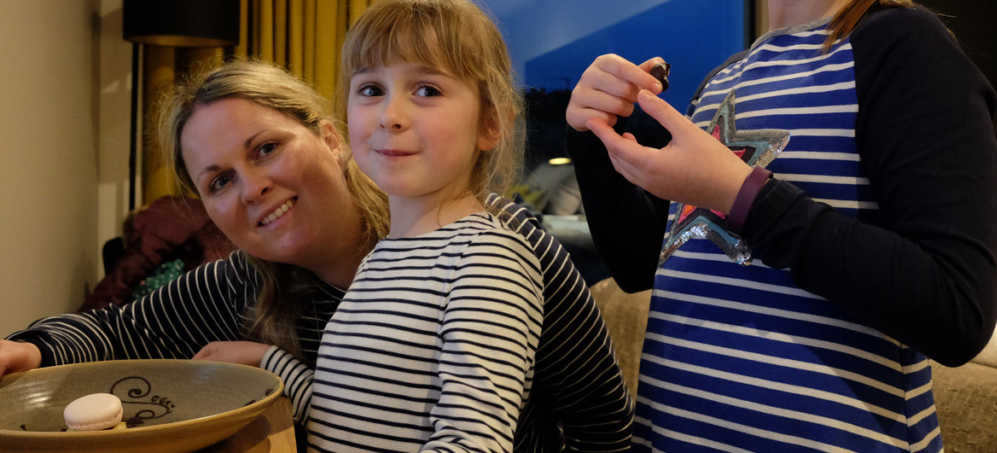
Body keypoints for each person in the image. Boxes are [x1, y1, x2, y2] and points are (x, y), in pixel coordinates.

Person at [564, 0, 997, 451]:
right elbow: (640, 265)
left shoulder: (902, 49)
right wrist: (596, 135)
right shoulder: (724, 81)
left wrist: (741, 194)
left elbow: (957, 310)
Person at [3, 59, 633, 450]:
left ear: (332, 138)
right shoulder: (240, 284)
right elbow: (113, 332)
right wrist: (30, 349)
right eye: (219, 181)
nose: (251, 188)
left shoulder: (493, 240)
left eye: (266, 149)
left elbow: (601, 427)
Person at [306, 0, 607, 451]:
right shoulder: (382, 257)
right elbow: (353, 412)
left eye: (426, 90)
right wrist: (274, 366)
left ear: (491, 123)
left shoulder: (486, 259)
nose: (390, 116)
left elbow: (472, 443)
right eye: (371, 90)